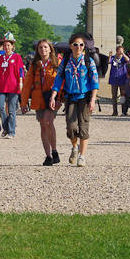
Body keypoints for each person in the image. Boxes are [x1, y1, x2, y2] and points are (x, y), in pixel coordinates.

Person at [49, 32, 98, 167]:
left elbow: (94, 82)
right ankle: (74, 147)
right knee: (71, 128)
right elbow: (58, 79)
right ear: (70, 46)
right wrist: (53, 96)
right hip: (70, 97)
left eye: (81, 45)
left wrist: (93, 100)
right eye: (75, 44)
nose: (78, 47)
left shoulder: (89, 61)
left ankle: (82, 156)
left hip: (85, 98)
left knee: (83, 128)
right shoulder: (65, 62)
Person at [21, 38, 61, 165]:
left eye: (45, 47)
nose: (43, 49)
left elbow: (63, 81)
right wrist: (23, 102)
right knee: (43, 125)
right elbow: (27, 84)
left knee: (47, 121)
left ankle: (54, 150)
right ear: (37, 50)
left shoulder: (57, 63)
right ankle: (48, 155)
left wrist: (61, 97)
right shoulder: (35, 65)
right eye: (40, 48)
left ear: (50, 49)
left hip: (53, 96)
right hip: (39, 96)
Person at [0, 32, 24, 138]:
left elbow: (20, 70)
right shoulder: (0, 58)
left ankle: (11, 132)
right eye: (5, 45)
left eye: (8, 45)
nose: (6, 47)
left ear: (12, 46)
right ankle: (6, 127)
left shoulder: (17, 57)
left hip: (13, 85)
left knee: (11, 110)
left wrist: (20, 82)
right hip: (2, 86)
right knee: (0, 107)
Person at [107, 44, 130, 116]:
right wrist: (110, 56)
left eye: (121, 50)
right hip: (114, 79)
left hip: (122, 79)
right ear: (117, 51)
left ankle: (124, 111)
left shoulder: (123, 58)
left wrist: (123, 54)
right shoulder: (113, 57)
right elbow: (109, 62)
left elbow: (128, 60)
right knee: (114, 96)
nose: (120, 52)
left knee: (123, 95)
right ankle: (115, 111)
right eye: (119, 50)